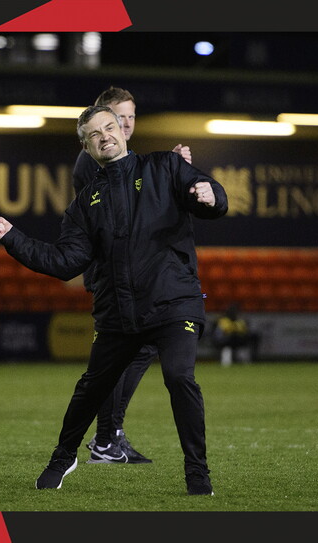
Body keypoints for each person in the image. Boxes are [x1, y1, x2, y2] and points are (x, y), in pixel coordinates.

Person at [0, 104, 228, 494]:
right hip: (119, 313)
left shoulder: (164, 167)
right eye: (94, 135)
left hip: (174, 302)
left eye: (109, 127)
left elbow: (208, 196)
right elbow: (66, 262)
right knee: (91, 389)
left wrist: (211, 194)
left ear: (122, 129)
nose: (105, 137)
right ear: (87, 148)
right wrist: (14, 240)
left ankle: (197, 473)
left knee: (179, 376)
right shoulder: (85, 203)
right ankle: (63, 458)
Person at [72, 86, 194, 465]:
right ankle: (106, 437)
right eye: (117, 117)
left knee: (132, 354)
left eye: (130, 117)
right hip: (115, 276)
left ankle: (109, 436)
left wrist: (176, 173)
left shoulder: (124, 158)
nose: (125, 124)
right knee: (122, 358)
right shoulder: (94, 160)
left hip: (132, 274)